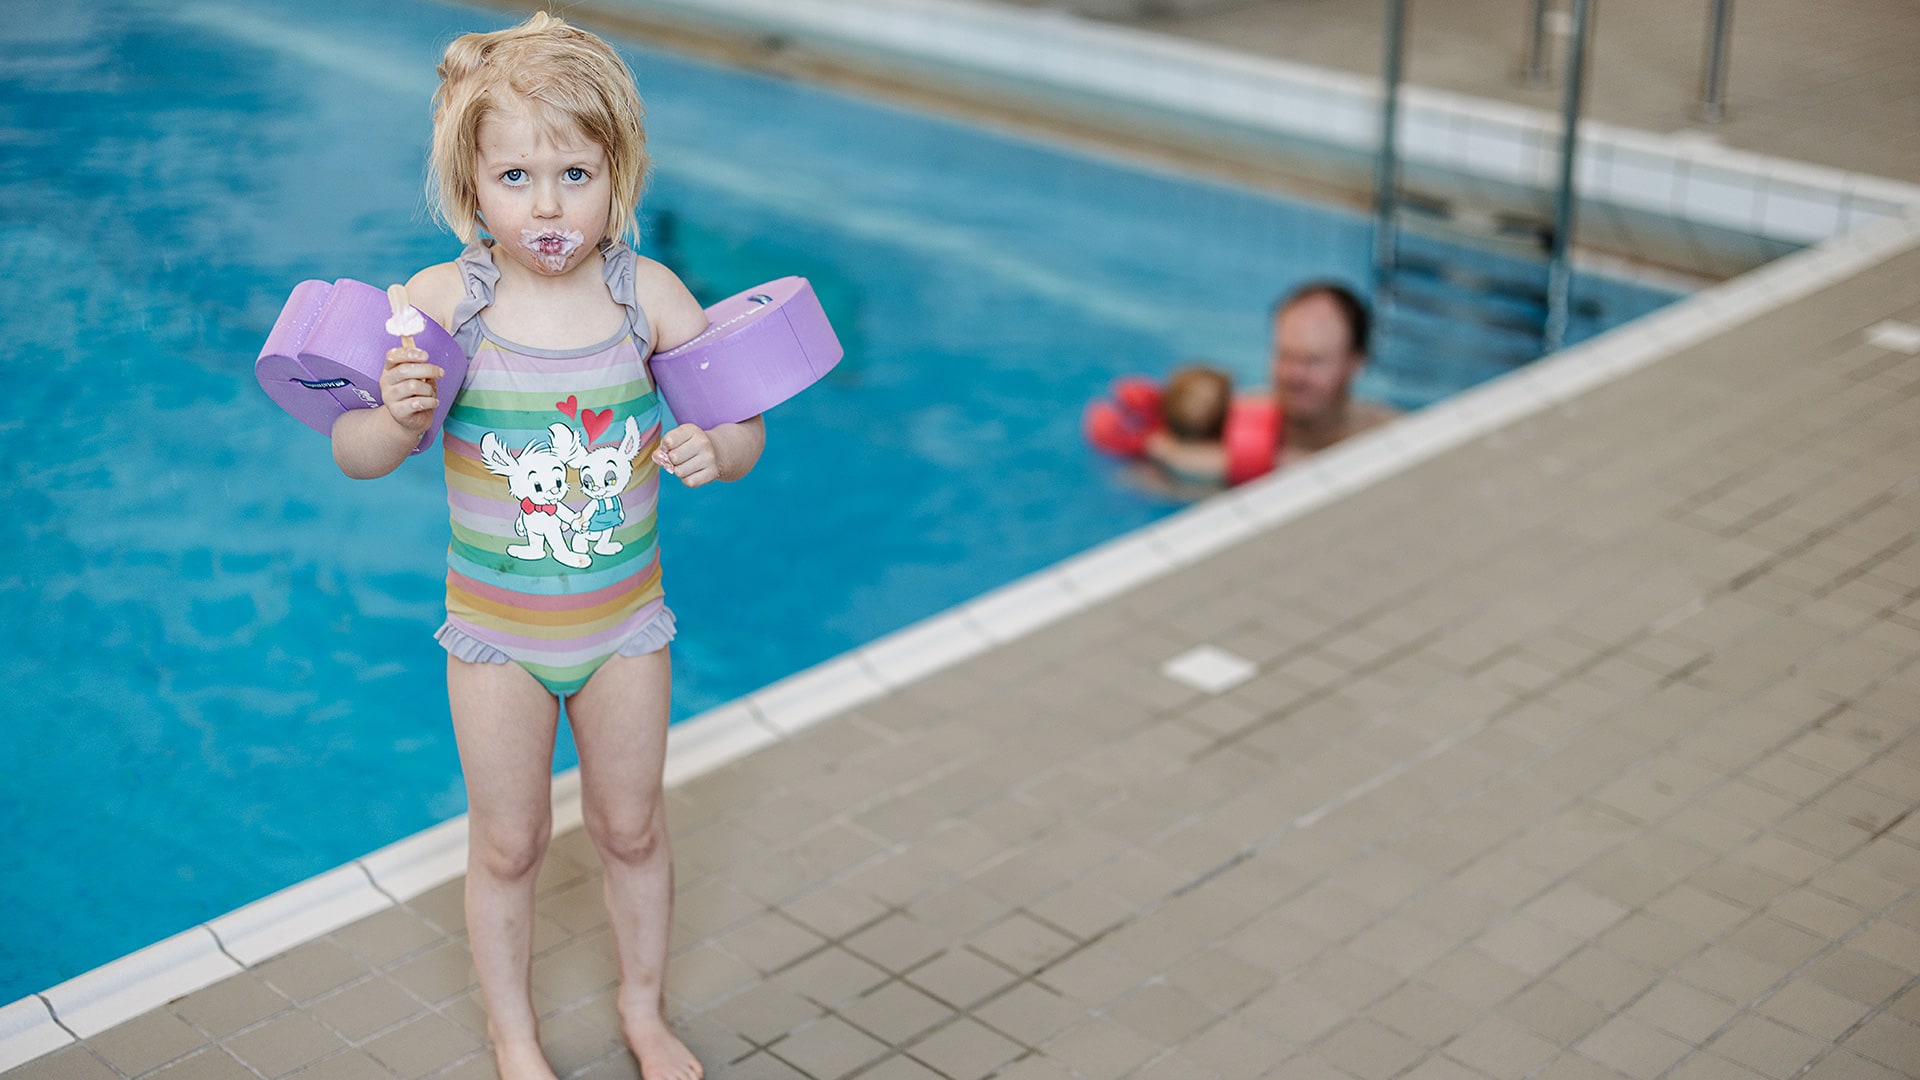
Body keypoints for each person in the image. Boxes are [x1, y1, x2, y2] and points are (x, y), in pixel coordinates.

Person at [330, 14, 752, 1080]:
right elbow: (356, 452)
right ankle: (513, 1036)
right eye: (517, 175)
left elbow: (740, 422)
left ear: (621, 172)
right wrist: (393, 411)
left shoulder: (644, 298)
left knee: (632, 830)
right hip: (496, 638)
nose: (550, 204)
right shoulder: (442, 308)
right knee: (508, 844)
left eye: (576, 170)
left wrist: (717, 445)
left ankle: (643, 1011)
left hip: (622, 630)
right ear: (472, 188)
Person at [1144, 281, 1395, 481]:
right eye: (1286, 356)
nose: (1294, 375)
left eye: (1313, 361)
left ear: (1355, 363)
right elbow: (1149, 470)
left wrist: (1259, 463)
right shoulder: (1229, 416)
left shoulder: (1390, 435)